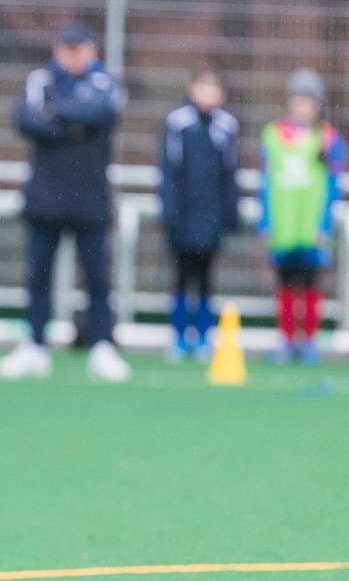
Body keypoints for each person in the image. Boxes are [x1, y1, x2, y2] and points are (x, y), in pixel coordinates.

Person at [0, 21, 131, 382]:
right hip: (45, 196)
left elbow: (99, 114)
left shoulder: (105, 83)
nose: (72, 56)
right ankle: (35, 344)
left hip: (90, 197)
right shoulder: (39, 80)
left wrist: (58, 112)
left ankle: (102, 345)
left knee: (98, 278)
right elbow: (26, 120)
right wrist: (70, 121)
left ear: (92, 50)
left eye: (79, 48)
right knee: (38, 275)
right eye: (66, 49)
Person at [258, 69, 345, 364]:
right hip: (283, 226)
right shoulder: (272, 134)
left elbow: (334, 185)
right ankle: (285, 339)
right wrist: (266, 221)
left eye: (308, 100)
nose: (302, 106)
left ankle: (308, 340)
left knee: (310, 286)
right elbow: (265, 181)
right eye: (297, 99)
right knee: (284, 285)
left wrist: (325, 223)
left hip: (311, 228)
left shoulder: (328, 138)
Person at [158, 69, 239, 362]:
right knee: (181, 275)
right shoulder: (177, 123)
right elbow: (169, 173)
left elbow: (230, 175)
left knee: (205, 278)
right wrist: (171, 213)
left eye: (212, 87)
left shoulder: (226, 127)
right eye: (202, 86)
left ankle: (203, 337)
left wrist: (230, 213)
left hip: (211, 216)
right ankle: (179, 337)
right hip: (183, 215)